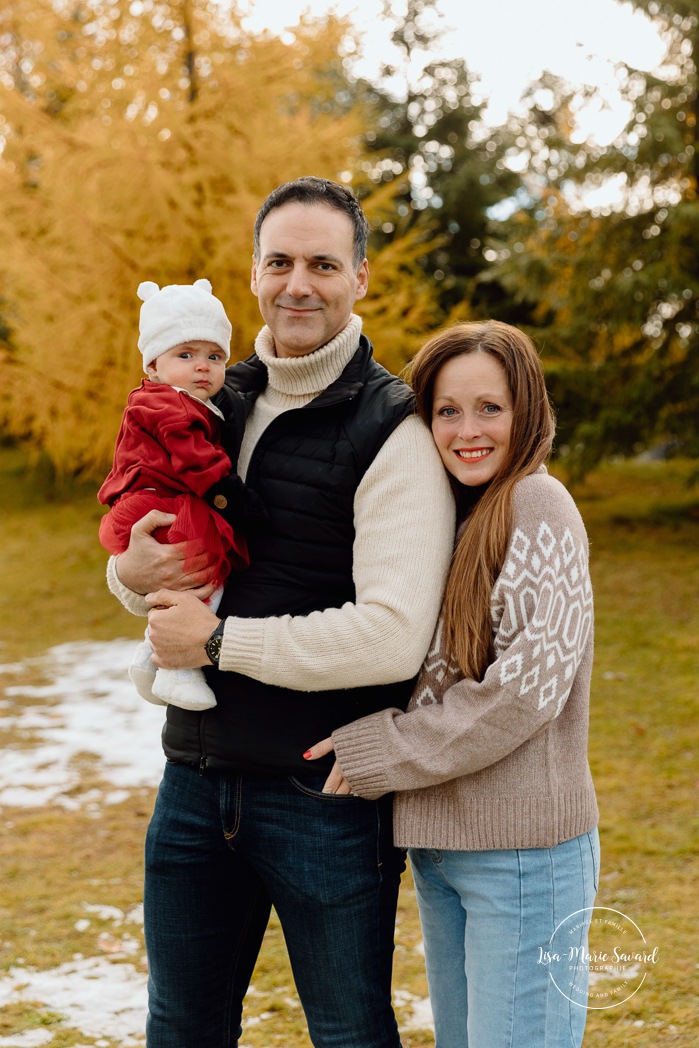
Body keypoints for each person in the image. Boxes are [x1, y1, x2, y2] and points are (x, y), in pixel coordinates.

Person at [104, 176, 456, 1047]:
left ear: (360, 277)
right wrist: (129, 573)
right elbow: (153, 544)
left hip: (320, 799)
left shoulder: (393, 428)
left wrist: (218, 643)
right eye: (280, 262)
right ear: (255, 273)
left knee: (347, 1033)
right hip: (192, 784)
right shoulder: (204, 400)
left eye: (323, 265)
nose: (298, 284)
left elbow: (392, 635)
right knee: (180, 1029)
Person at [306, 320, 600, 1048]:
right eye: (447, 411)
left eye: (489, 408)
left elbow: (525, 691)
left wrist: (385, 750)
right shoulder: (448, 515)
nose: (468, 431)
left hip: (523, 855)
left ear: (526, 410)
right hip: (441, 847)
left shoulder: (538, 506)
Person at [98, 278, 251, 711]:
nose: (202, 367)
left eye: (214, 356)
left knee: (203, 572)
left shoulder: (183, 399)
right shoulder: (169, 404)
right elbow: (196, 459)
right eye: (186, 355)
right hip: (159, 504)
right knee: (203, 569)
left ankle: (151, 653)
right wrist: (237, 501)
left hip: (155, 501)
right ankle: (178, 668)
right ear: (153, 364)